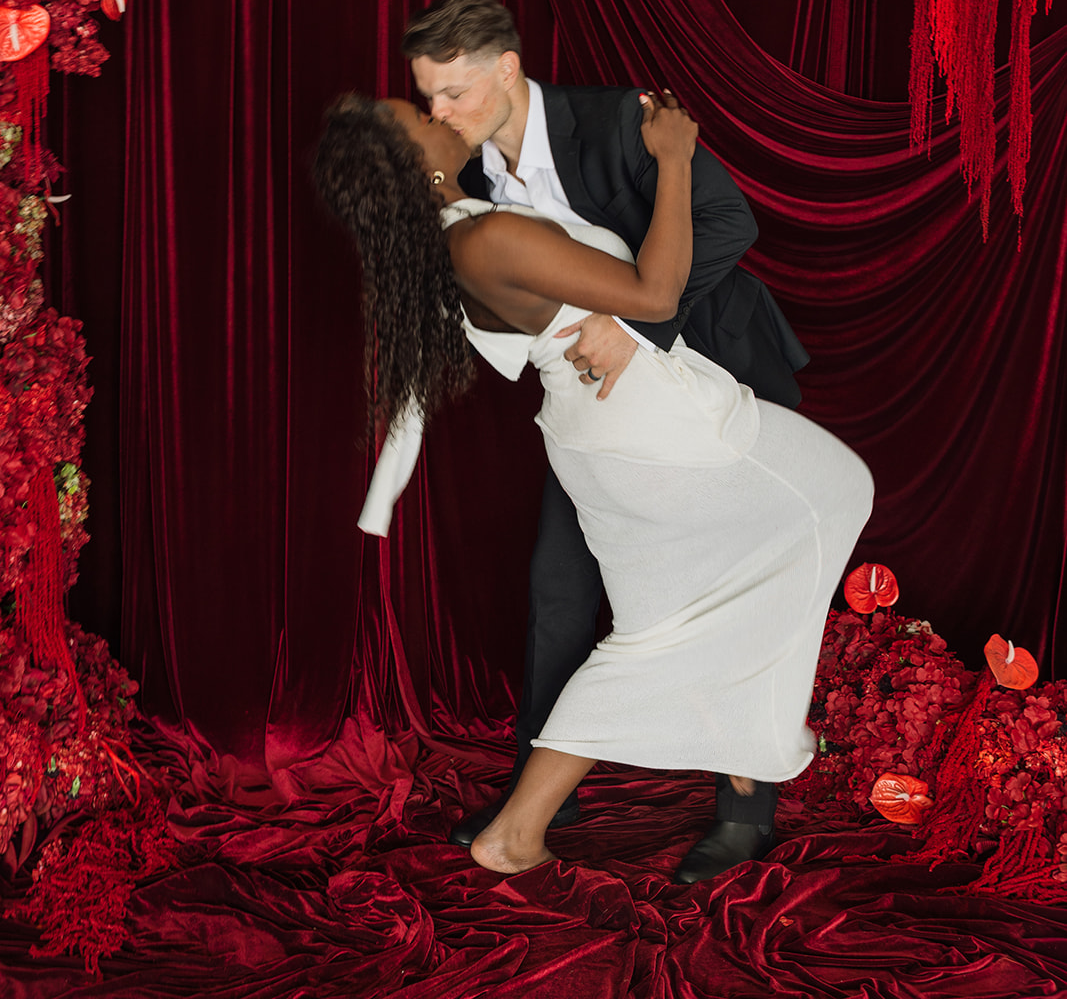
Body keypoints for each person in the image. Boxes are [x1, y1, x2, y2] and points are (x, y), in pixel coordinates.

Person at [313, 89, 873, 880]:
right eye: (419, 122)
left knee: (653, 632)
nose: (438, 118)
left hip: (594, 440)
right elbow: (653, 295)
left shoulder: (442, 246)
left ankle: (518, 833)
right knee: (838, 489)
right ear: (410, 168)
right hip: (655, 427)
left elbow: (406, 405)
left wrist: (377, 505)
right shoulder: (492, 235)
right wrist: (674, 160)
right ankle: (758, 741)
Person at [399, 0, 810, 879]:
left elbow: (729, 222)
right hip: (606, 420)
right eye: (426, 96)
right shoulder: (468, 174)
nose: (438, 112)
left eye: (453, 92)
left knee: (731, 590)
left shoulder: (620, 120)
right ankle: (539, 798)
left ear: (507, 69)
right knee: (559, 588)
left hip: (718, 375)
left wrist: (632, 330)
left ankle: (744, 808)